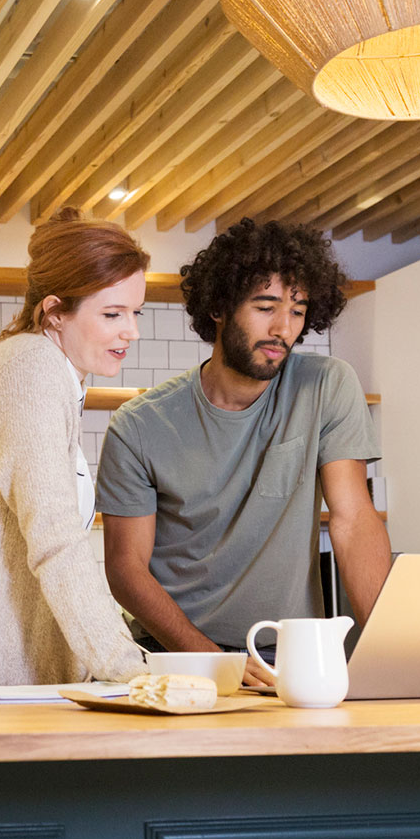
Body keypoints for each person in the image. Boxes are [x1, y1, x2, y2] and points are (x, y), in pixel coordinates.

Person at [96, 218, 391, 682]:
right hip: (176, 657)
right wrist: (218, 663)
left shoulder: (327, 385)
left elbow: (353, 519)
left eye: (297, 311)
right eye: (265, 306)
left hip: (289, 656)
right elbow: (125, 569)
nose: (283, 329)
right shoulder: (138, 426)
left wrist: (392, 648)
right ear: (219, 306)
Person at [0, 209, 153, 690]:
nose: (132, 331)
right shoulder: (30, 372)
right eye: (112, 314)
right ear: (56, 310)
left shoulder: (47, 371)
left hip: (6, 685)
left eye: (135, 312)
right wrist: (134, 674)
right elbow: (57, 540)